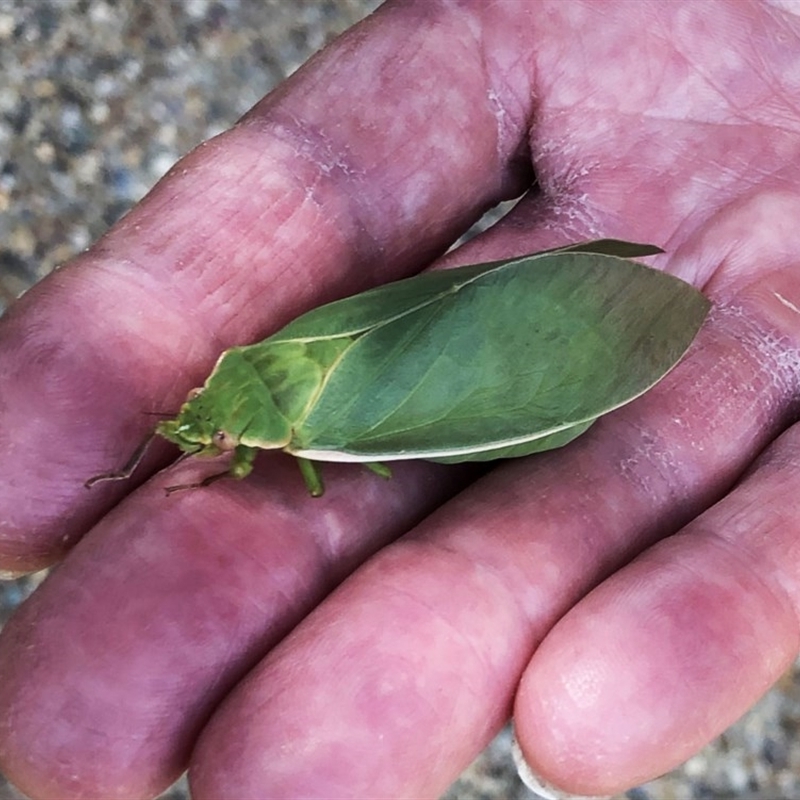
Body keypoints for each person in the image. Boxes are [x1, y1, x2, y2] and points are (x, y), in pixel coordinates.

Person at [1, 1, 799, 798]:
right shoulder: (249, 387)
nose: (205, 434)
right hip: (370, 359)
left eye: (212, 429)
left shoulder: (292, 444)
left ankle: (599, 334)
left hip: (372, 394)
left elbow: (301, 472)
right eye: (209, 434)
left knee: (492, 425)